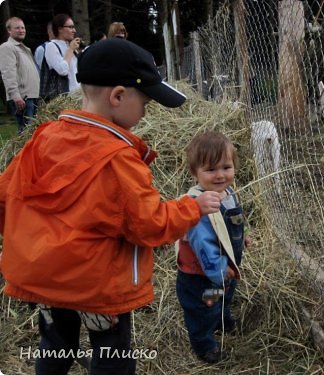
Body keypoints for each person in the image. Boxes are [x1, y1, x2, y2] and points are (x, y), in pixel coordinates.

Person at [0, 38, 222, 374]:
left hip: (44, 281)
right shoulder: (119, 160)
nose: (146, 112)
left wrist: (28, 246)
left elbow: (5, 199)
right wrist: (191, 207)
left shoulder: (42, 139)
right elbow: (148, 224)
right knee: (112, 355)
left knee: (55, 345)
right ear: (118, 96)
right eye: (145, 103)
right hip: (97, 287)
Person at [176, 131, 251, 364]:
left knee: (224, 295)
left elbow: (235, 220)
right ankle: (204, 343)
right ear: (194, 172)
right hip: (203, 274)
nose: (220, 175)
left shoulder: (227, 194)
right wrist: (219, 270)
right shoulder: (197, 206)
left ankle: (222, 318)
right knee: (203, 307)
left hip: (225, 270)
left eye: (226, 167)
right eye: (210, 170)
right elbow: (204, 247)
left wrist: (243, 236)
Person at [0, 17, 40, 133]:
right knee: (26, 133)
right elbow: (8, 73)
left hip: (31, 97)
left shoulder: (25, 49)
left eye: (23, 28)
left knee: (32, 133)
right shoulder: (7, 48)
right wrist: (15, 95)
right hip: (22, 98)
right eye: (17, 28)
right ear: (9, 30)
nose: (21, 30)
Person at [41, 13, 81, 98]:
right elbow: (62, 70)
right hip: (62, 98)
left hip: (77, 96)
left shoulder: (70, 45)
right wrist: (70, 50)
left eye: (73, 27)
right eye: (70, 27)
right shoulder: (51, 46)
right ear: (59, 29)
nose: (74, 30)